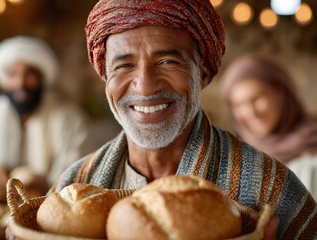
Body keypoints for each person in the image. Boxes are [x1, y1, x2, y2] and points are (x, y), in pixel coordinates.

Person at [49, 1, 317, 239]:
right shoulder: (72, 186)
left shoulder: (269, 188)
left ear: (202, 73)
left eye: (167, 61)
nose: (145, 87)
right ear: (105, 77)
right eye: (124, 65)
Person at [0, 36, 91, 186]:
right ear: (2, 80)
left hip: (48, 206)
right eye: (12, 74)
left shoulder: (70, 119)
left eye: (29, 74)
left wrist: (37, 187)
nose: (20, 83)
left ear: (42, 78)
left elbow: (74, 177)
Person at [219, 54, 317, 200]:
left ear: (282, 93)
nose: (251, 112)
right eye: (239, 105)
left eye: (257, 98)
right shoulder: (237, 160)